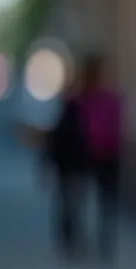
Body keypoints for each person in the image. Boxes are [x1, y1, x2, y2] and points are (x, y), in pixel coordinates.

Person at [77, 54, 123, 262]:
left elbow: (118, 127)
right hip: (87, 155)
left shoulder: (111, 98)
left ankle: (104, 243)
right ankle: (84, 241)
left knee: (106, 203)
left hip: (108, 156)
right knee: (83, 200)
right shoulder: (82, 98)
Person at [44, 72, 88, 259]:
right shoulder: (73, 114)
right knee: (72, 205)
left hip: (69, 167)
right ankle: (71, 239)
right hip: (74, 167)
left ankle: (70, 239)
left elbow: (52, 144)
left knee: (68, 205)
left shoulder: (65, 114)